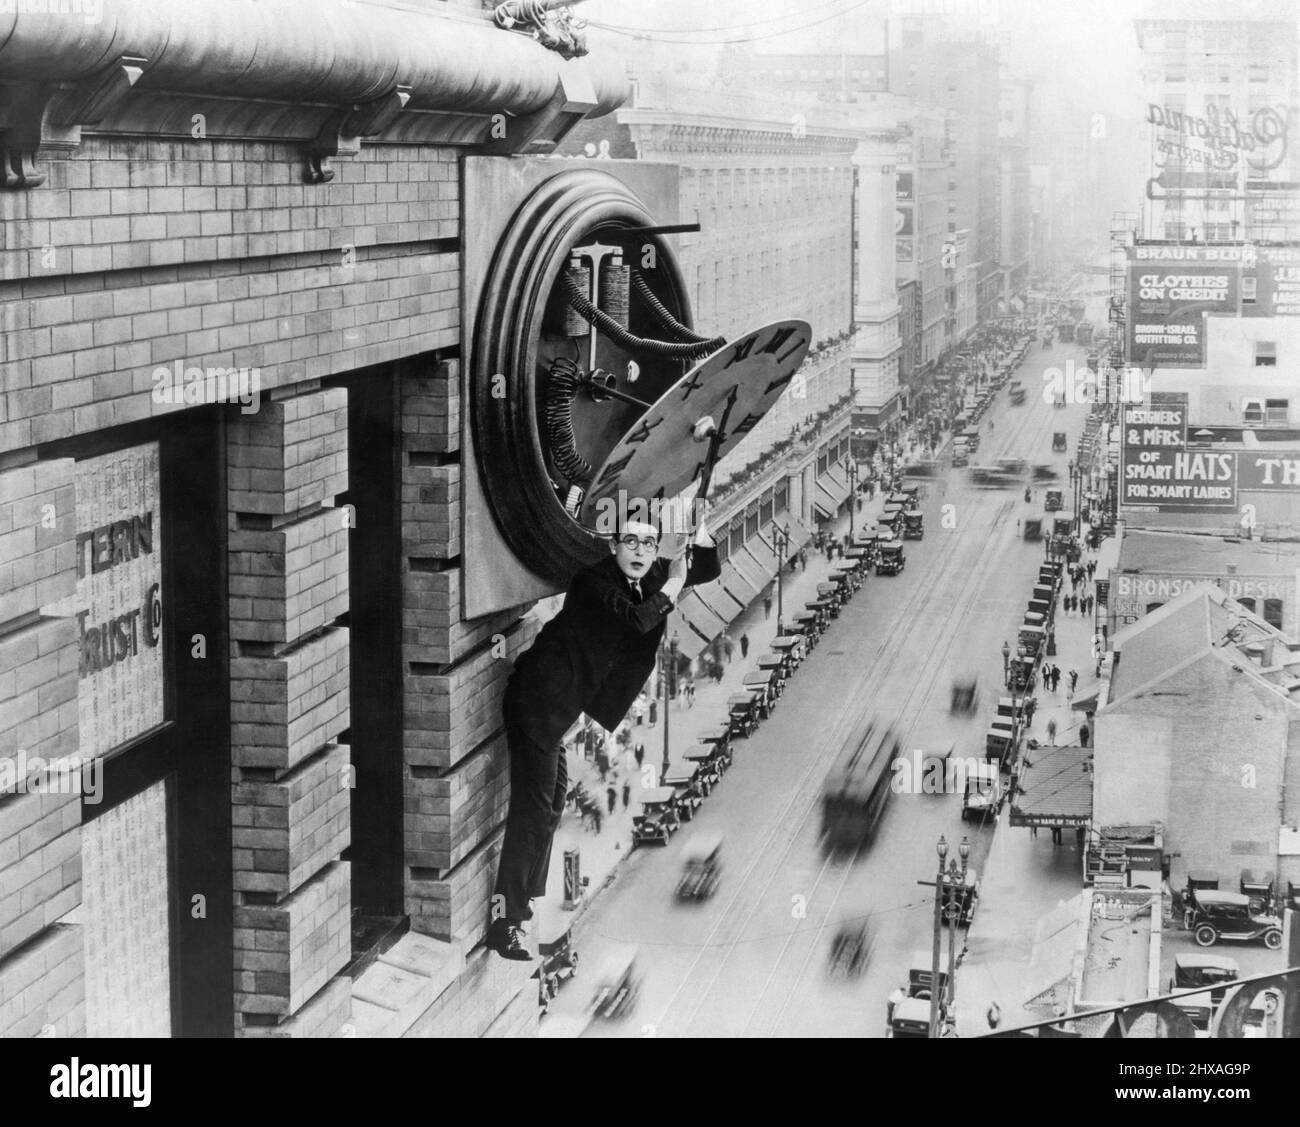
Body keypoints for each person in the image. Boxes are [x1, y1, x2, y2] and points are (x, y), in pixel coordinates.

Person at [485, 516, 720, 961]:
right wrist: (673, 585)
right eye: (628, 541)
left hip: (560, 711)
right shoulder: (592, 583)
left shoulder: (649, 574)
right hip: (537, 701)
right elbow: (636, 620)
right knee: (532, 812)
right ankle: (506, 922)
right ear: (614, 547)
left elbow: (701, 570)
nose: (637, 550)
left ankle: (526, 898)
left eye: (647, 544)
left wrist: (702, 536)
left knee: (553, 800)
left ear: (655, 551)